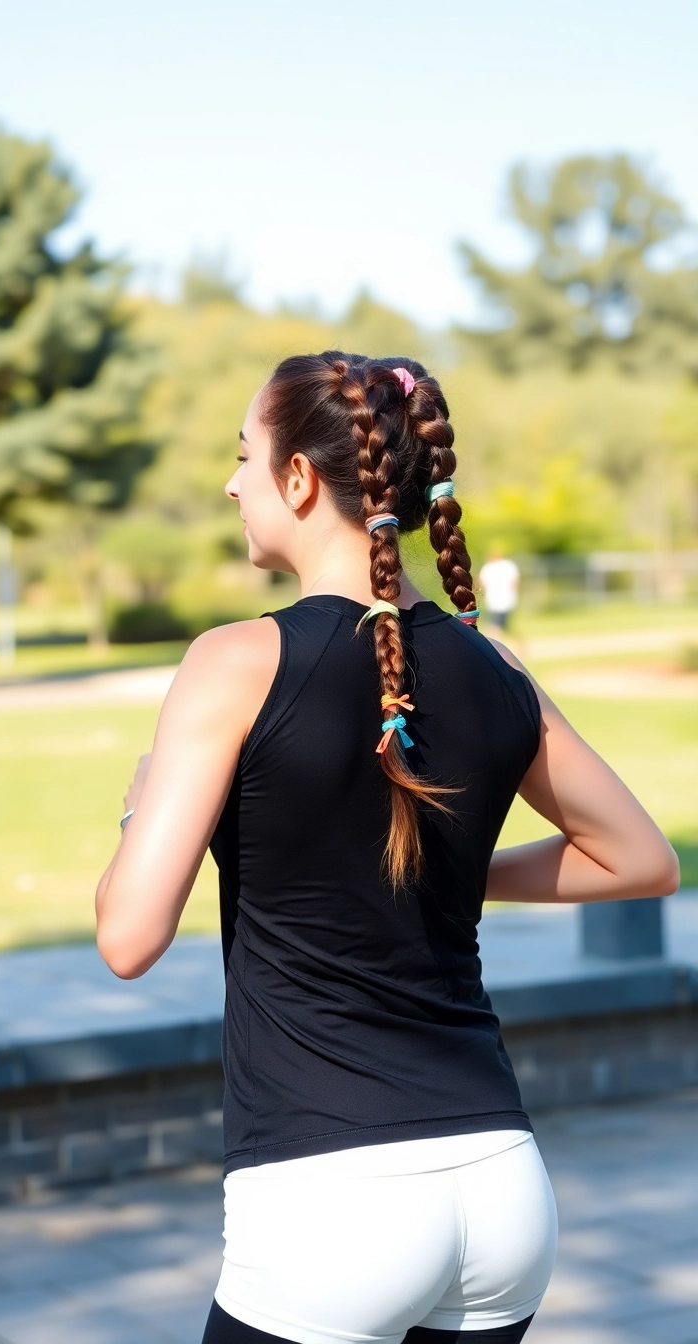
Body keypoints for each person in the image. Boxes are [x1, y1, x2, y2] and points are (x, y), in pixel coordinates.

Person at [95, 353, 679, 1344]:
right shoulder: (494, 663)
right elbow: (638, 857)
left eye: (245, 457)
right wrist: (443, 876)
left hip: (329, 1206)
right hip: (501, 1191)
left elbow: (127, 938)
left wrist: (139, 810)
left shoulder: (233, 661)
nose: (232, 483)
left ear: (299, 480)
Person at [479, 548, 520, 632]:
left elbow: (482, 584)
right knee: (504, 626)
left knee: (495, 626)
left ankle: (492, 644)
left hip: (497, 602)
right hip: (503, 601)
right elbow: (514, 583)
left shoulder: (489, 568)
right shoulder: (508, 566)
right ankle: (521, 644)